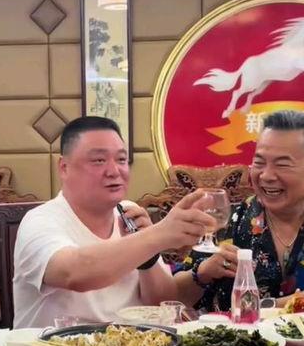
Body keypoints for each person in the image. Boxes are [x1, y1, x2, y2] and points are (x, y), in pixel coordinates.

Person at [13, 116, 215, 328]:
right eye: (99, 161)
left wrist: (148, 259)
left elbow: (160, 304)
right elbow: (73, 273)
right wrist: (157, 235)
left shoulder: (129, 214)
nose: (114, 171)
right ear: (64, 167)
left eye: (121, 159)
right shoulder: (40, 221)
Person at [174, 109, 304, 311]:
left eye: (282, 165)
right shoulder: (232, 220)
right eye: (259, 162)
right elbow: (173, 297)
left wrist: (272, 307)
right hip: (234, 332)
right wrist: (203, 273)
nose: (266, 176)